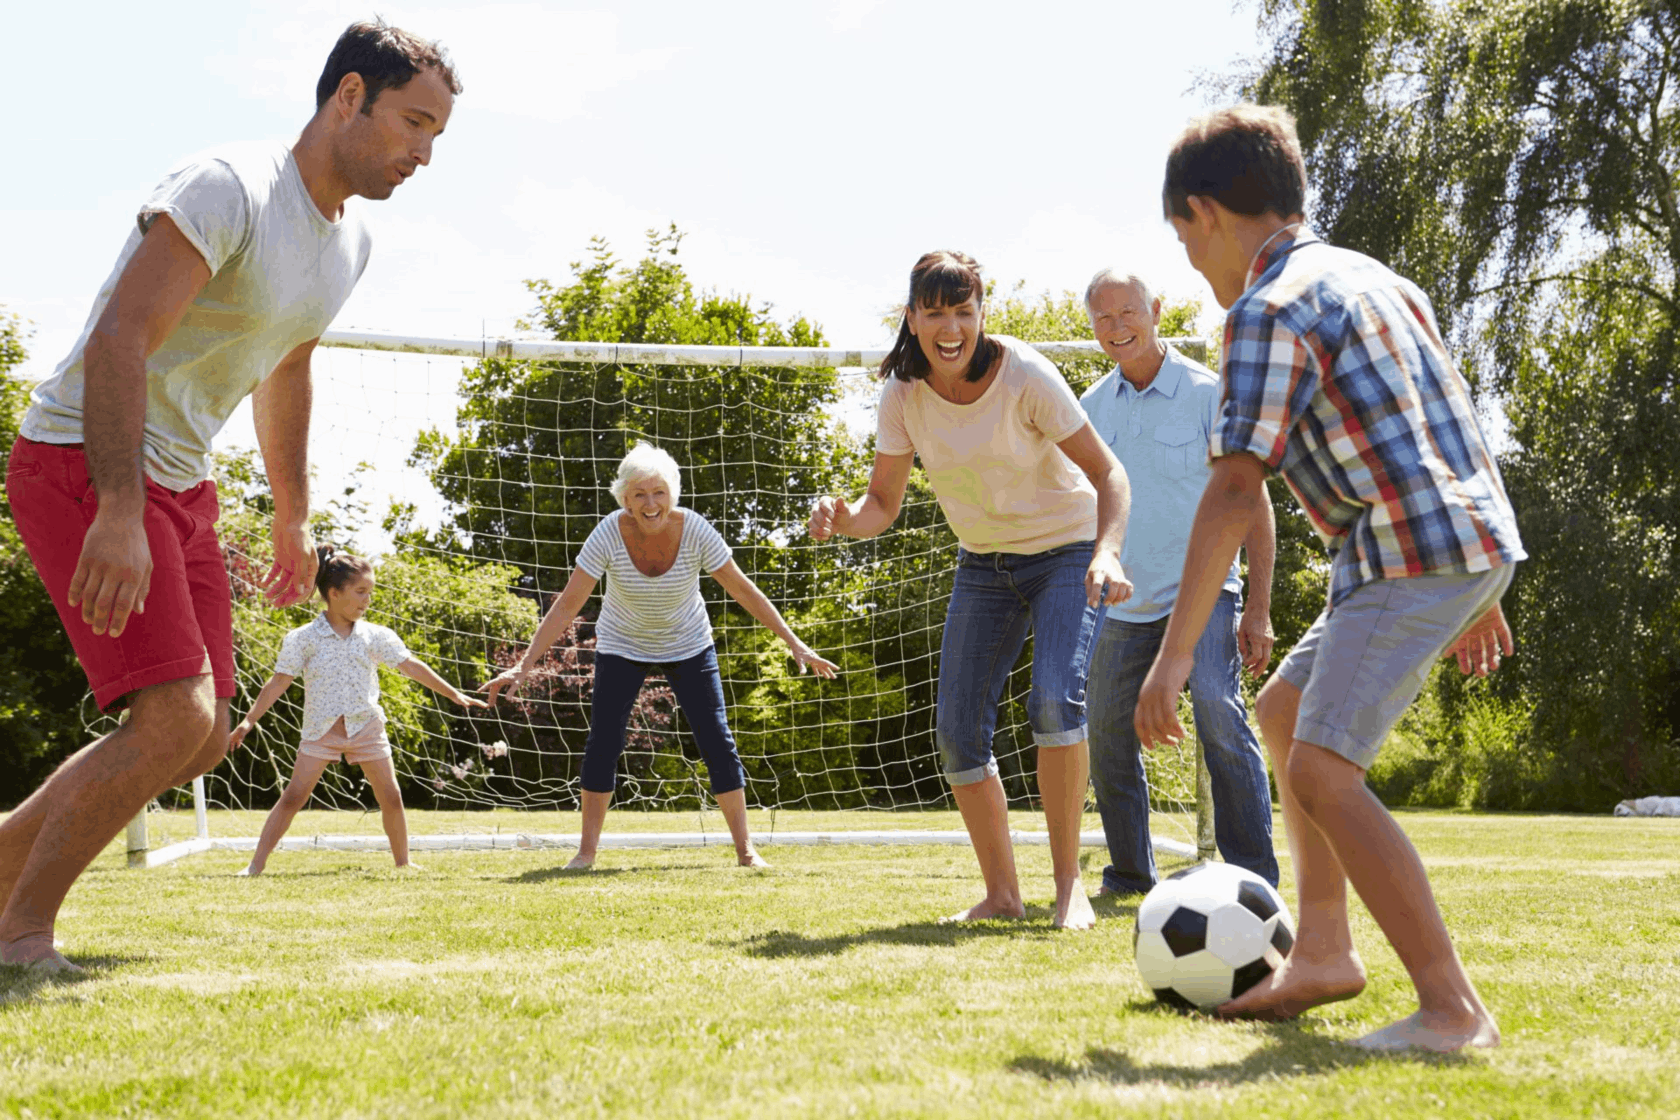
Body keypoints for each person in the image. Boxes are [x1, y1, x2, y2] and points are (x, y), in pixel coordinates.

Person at [0, 20, 460, 971]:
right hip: (84, 459)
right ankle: (20, 932)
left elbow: (287, 365)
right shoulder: (229, 187)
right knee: (172, 716)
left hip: (181, 482)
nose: (422, 152)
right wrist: (121, 512)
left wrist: (292, 510)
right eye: (412, 123)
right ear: (347, 97)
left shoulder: (351, 242)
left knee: (201, 736)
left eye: (436, 137)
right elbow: (123, 337)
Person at [1135, 105, 1525, 1051]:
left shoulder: (1262, 311)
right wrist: (1486, 580)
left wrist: (1172, 657)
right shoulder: (1374, 278)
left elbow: (1234, 488)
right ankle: (1322, 953)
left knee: (1322, 767)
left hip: (1410, 550)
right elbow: (1448, 417)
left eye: (1184, 238)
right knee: (1284, 712)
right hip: (1450, 539)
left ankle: (1451, 1009)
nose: (1191, 260)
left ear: (1206, 212)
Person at [808, 251, 1133, 931]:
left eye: (964, 310)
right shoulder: (902, 394)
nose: (950, 327)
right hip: (984, 564)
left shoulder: (1026, 376)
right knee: (957, 735)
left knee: (1053, 700)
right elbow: (882, 505)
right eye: (935, 312)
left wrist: (1105, 553)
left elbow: (1110, 476)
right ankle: (1002, 893)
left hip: (1066, 553)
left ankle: (1068, 887)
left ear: (983, 315)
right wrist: (844, 523)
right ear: (912, 318)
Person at [484, 444, 838, 870]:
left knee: (717, 741)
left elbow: (743, 589)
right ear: (624, 498)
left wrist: (793, 641)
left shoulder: (696, 530)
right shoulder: (608, 533)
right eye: (638, 494)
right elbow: (567, 604)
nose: (649, 503)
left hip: (689, 643)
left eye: (658, 492)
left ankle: (746, 852)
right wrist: (525, 664)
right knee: (603, 742)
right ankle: (586, 853)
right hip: (622, 644)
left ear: (673, 493)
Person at [1078, 269, 1280, 896]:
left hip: (1208, 594)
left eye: (1129, 312)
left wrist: (1260, 608)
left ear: (1156, 310)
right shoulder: (1088, 410)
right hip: (1123, 606)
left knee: (1219, 711)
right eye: (1103, 318)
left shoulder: (1205, 393)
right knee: (1105, 729)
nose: (1118, 327)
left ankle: (1254, 880)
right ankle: (1132, 874)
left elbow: (1256, 503)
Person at [228, 548, 487, 875]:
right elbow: (278, 682)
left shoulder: (375, 635)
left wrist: (454, 694)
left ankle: (403, 863)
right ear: (334, 594)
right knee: (293, 797)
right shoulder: (303, 639)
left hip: (366, 728)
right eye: (360, 592)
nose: (367, 600)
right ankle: (255, 866)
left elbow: (411, 666)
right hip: (321, 731)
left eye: (370, 592)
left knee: (391, 797)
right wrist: (249, 721)